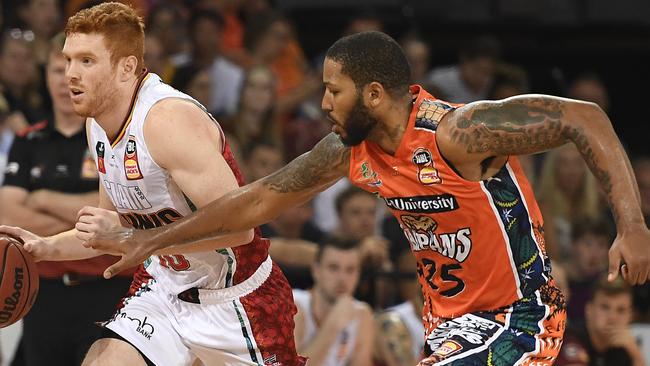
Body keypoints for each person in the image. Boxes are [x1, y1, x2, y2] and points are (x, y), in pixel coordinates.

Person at [80, 31, 649, 365]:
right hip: (451, 329)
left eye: (334, 90)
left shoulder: (458, 132)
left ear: (373, 94)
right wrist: (152, 239)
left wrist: (632, 226)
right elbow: (254, 202)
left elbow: (584, 117)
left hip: (519, 318)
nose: (323, 102)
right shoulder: (349, 150)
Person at [0, 3, 304, 366]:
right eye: (67, 60)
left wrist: (142, 241)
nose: (70, 74)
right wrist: (45, 247)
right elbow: (111, 231)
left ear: (126, 67)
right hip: (163, 288)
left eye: (86, 61)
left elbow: (241, 231)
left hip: (234, 296)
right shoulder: (96, 123)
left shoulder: (167, 121)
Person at [0, 33, 133, 366]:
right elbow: (8, 213)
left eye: (75, 69)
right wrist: (92, 225)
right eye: (57, 71)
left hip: (108, 289)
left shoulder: (111, 134)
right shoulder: (29, 140)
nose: (65, 80)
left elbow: (122, 211)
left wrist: (41, 198)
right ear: (44, 76)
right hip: (43, 293)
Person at [292, 237, 374, 366]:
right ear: (316, 271)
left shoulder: (362, 313)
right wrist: (332, 326)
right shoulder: (294, 306)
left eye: (350, 270)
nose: (342, 278)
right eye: (333, 268)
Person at [556, 276, 644, 366]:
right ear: (588, 310)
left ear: (630, 316)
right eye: (605, 307)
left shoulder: (624, 349)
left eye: (621, 310)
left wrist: (635, 354)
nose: (612, 317)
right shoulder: (568, 337)